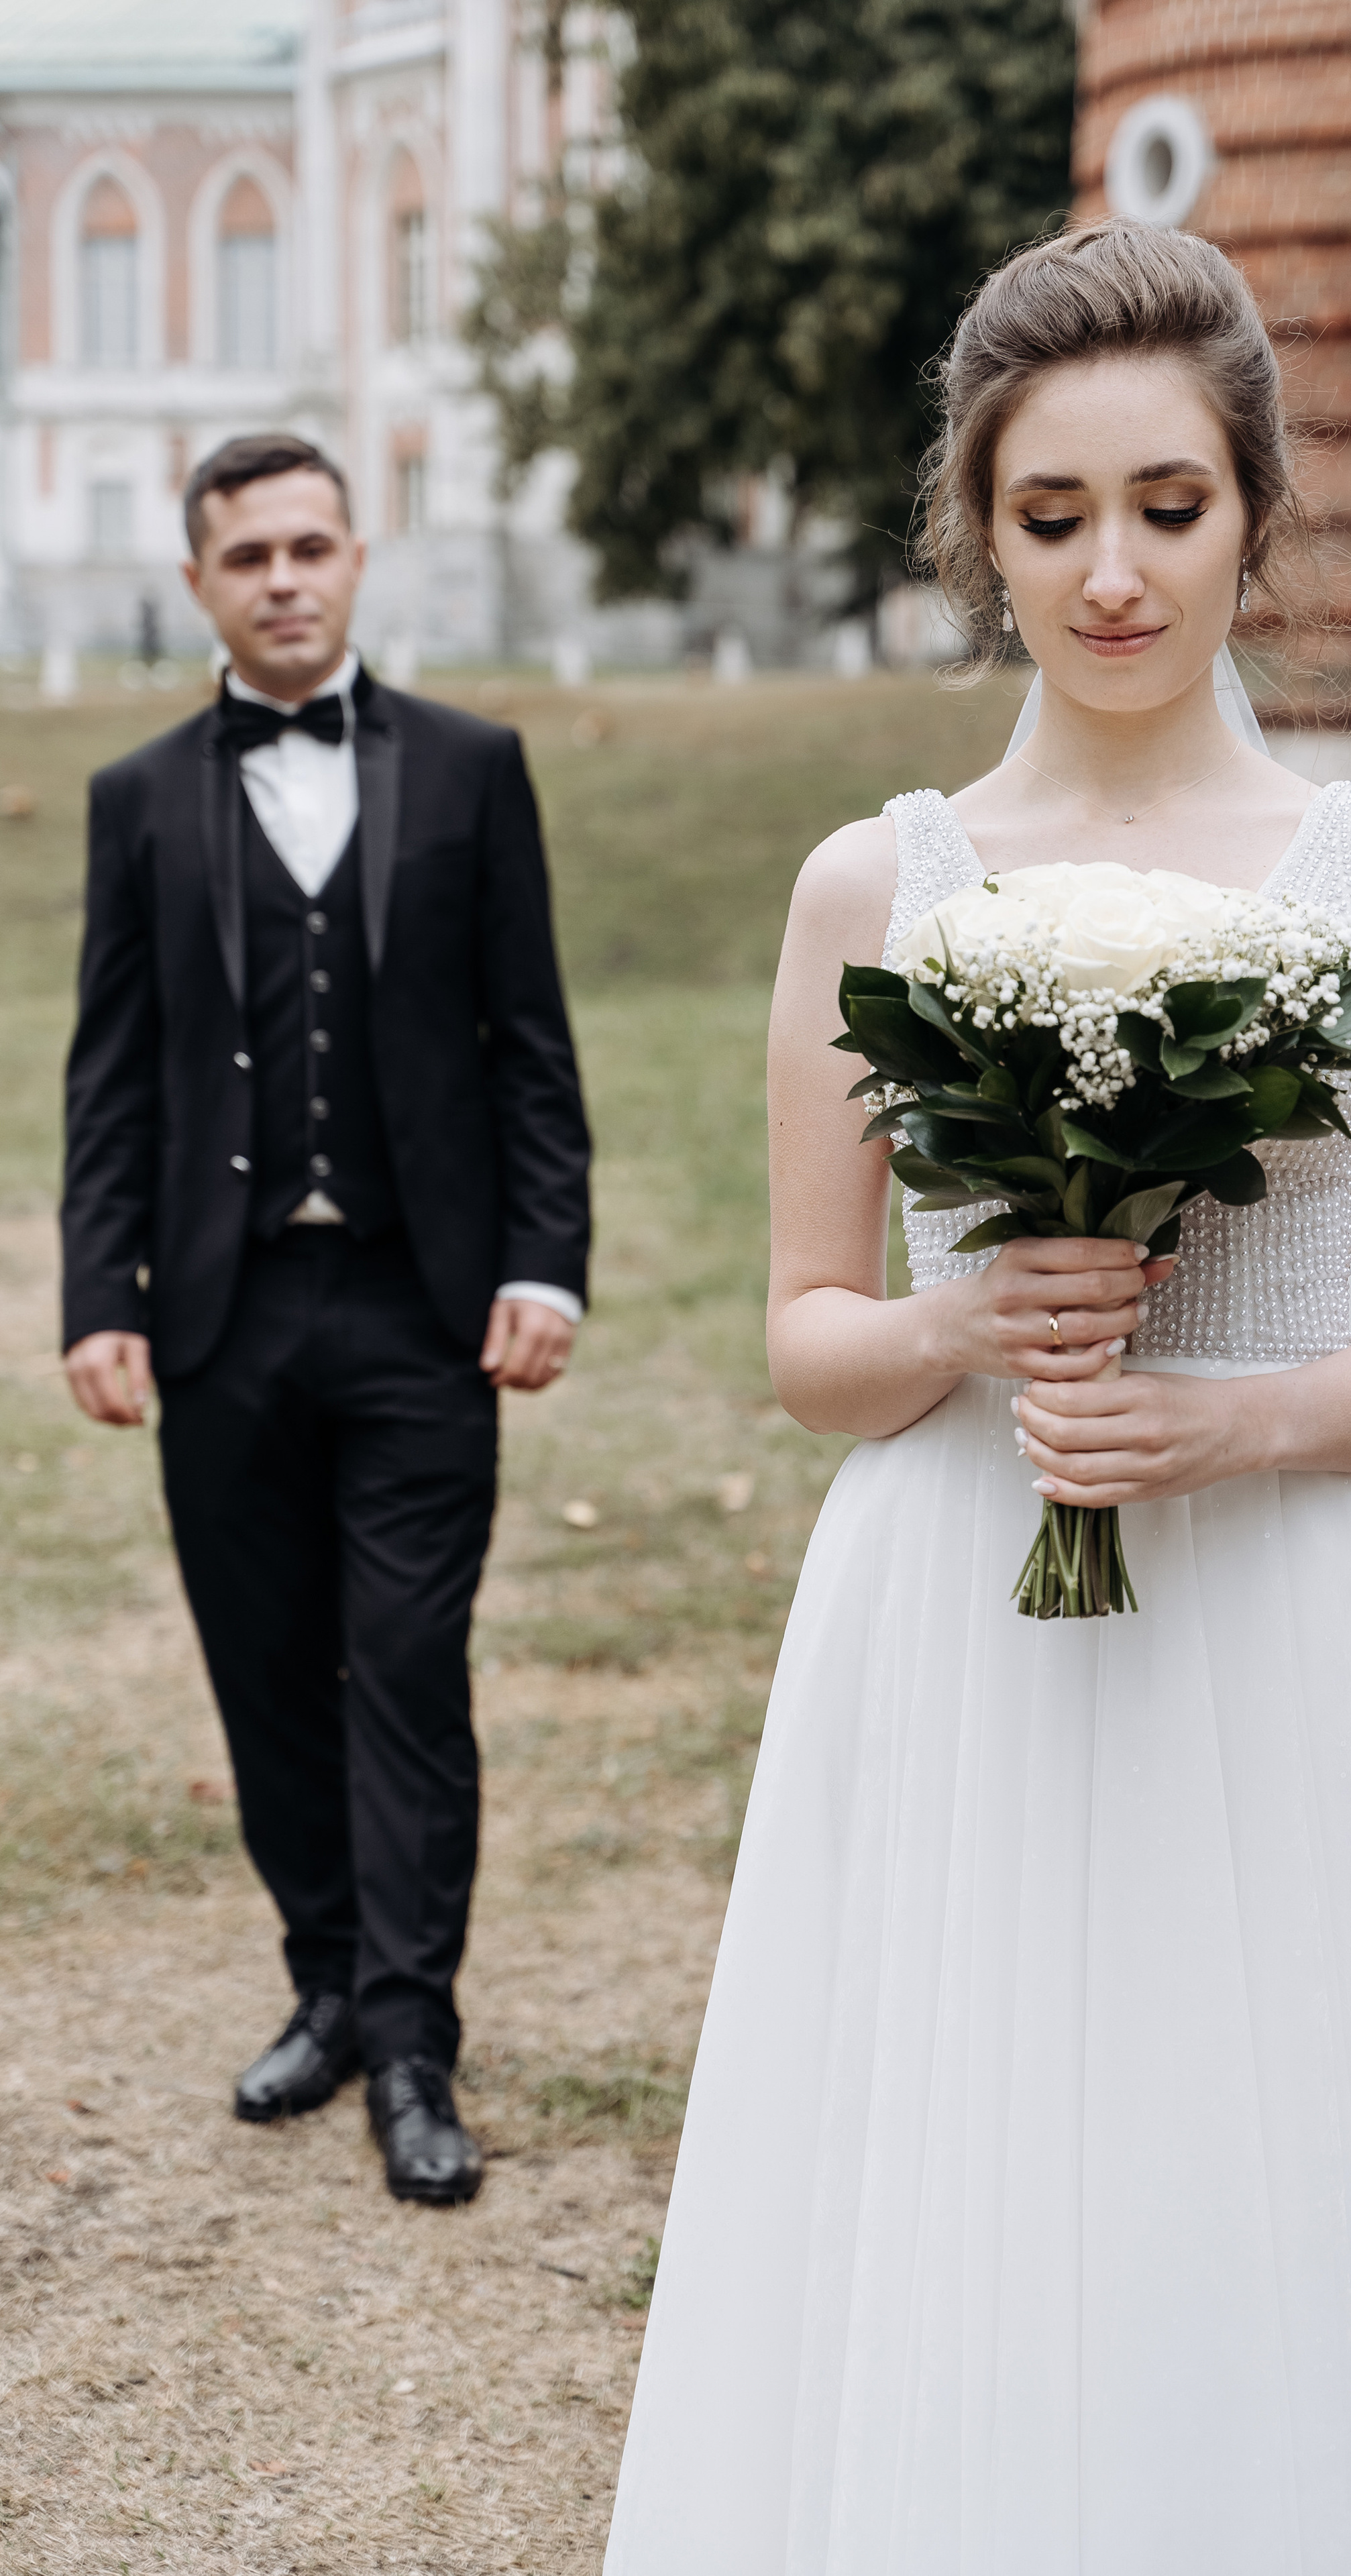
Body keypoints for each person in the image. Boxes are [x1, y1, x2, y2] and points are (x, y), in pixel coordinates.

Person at [603, 225, 1351, 2569]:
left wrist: (1234, 1422)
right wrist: (970, 1330)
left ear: (1256, 508)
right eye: (1051, 519)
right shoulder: (881, 884)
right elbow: (809, 1342)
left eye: (1168, 505)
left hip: (1308, 1612)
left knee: (1290, 2159)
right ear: (980, 535)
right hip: (968, 1617)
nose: (1114, 572)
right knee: (979, 2154)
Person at [61, 434, 591, 2206]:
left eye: (311, 547)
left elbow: (530, 1041)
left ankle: (415, 2038)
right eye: (248, 557)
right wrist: (97, 1295)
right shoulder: (138, 797)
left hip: (420, 1307)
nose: (284, 579)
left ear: (358, 559)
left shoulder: (470, 769)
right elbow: (111, 1075)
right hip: (219, 1316)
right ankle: (324, 1987)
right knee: (268, 1675)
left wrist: (543, 1263)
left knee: (412, 1673)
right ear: (202, 583)